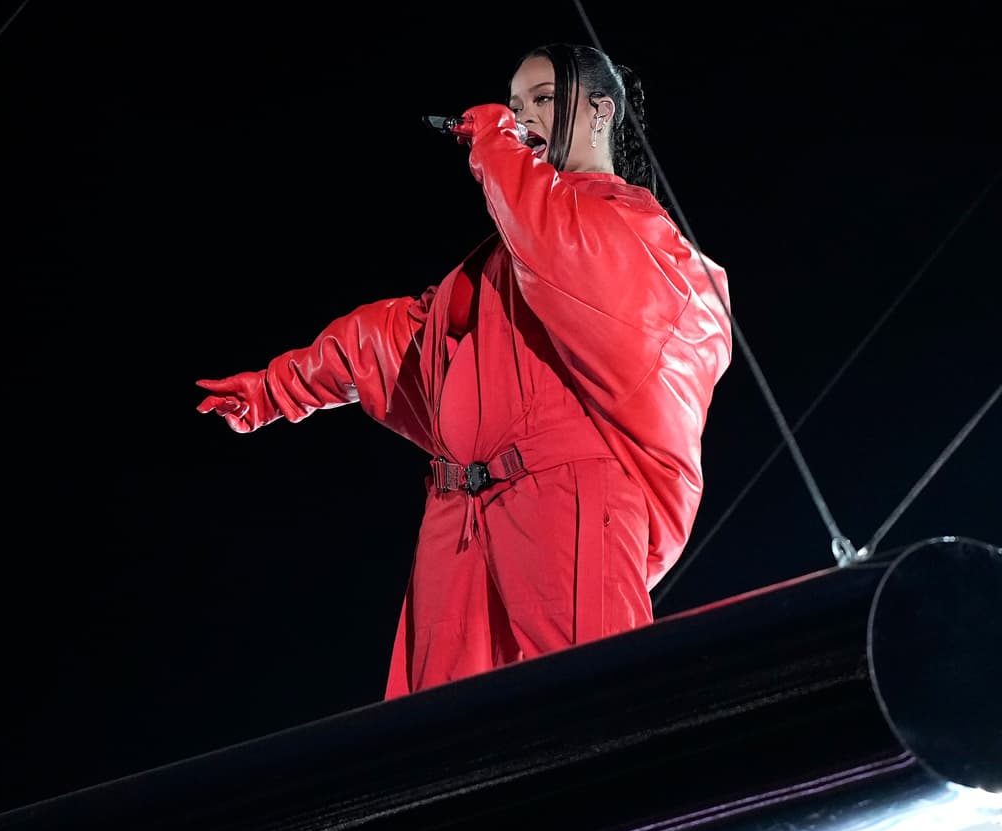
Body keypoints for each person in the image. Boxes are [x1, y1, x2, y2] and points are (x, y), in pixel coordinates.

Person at [195, 42, 733, 700]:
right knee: (436, 738)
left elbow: (561, 249)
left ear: (600, 113)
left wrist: (496, 149)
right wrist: (273, 387)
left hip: (567, 498)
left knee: (593, 707)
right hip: (460, 514)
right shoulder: (505, 258)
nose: (520, 116)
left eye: (541, 99)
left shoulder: (630, 230)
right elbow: (399, 341)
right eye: (512, 105)